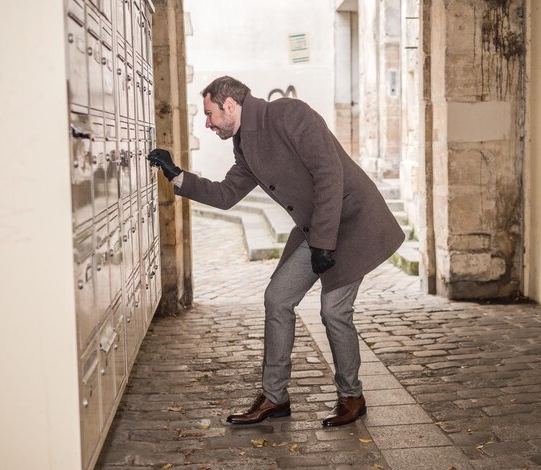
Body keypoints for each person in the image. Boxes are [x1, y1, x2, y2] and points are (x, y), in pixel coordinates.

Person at [147, 76, 405, 427]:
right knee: (277, 298)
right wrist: (177, 175)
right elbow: (226, 194)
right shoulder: (245, 145)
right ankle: (274, 397)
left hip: (352, 221)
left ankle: (351, 396)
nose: (207, 123)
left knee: (333, 311)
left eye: (209, 114)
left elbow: (330, 175)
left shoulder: (290, 114)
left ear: (230, 105)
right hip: (318, 228)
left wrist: (324, 244)